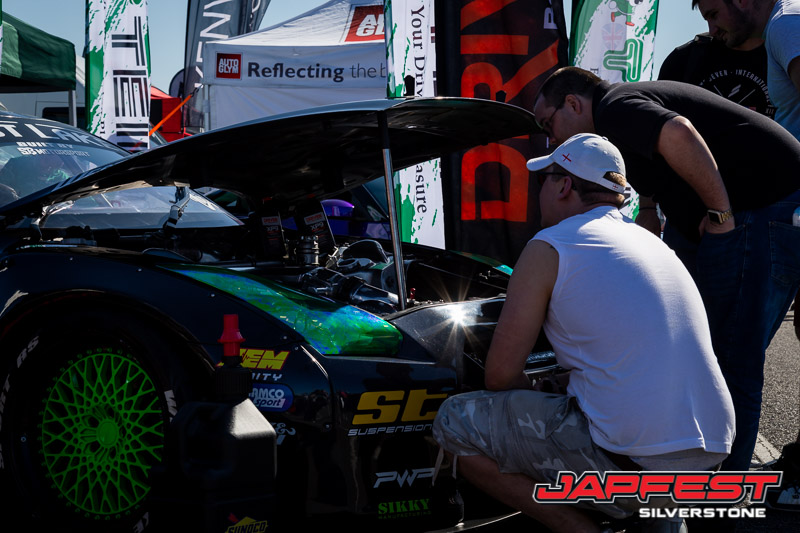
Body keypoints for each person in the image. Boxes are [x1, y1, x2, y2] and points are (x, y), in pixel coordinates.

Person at [432, 133, 735, 533]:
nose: (539, 191)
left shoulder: (550, 245)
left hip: (633, 464)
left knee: (454, 421)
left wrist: (536, 391)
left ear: (564, 185)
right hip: (712, 456)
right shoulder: (653, 244)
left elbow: (500, 376)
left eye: (543, 180)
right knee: (644, 441)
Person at [531, 66, 800, 477]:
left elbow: (679, 133)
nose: (551, 140)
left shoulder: (614, 106)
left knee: (733, 359)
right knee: (711, 352)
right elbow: (659, 157)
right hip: (764, 207)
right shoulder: (620, 115)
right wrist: (652, 207)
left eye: (548, 125)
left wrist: (720, 212)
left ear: (573, 103)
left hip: (764, 207)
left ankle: (719, 499)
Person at [697, 0, 800, 510]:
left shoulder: (786, 23)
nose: (712, 27)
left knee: (738, 355)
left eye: (714, 11)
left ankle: (719, 494)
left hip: (788, 210)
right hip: (788, 208)